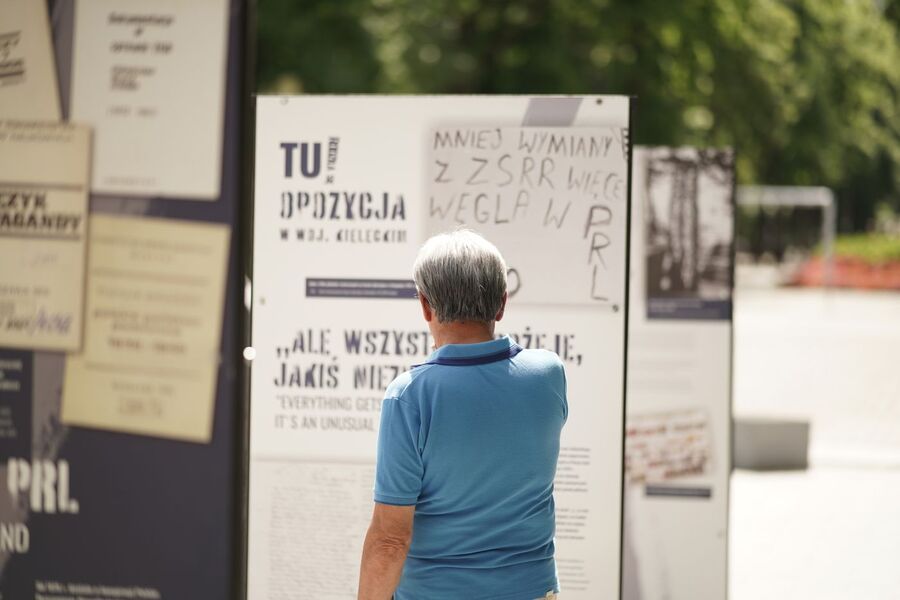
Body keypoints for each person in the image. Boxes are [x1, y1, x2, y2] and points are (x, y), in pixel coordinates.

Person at [357, 230, 568, 600]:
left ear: (425, 306)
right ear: (502, 304)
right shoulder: (548, 375)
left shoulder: (410, 397)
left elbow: (391, 539)